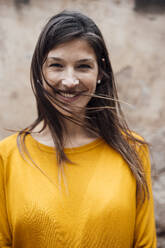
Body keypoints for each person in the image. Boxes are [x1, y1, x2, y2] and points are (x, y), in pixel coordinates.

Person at [0, 10, 157, 248]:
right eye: (56, 65)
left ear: (100, 72)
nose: (70, 81)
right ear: (40, 72)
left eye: (83, 66)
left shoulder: (133, 151)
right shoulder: (7, 156)